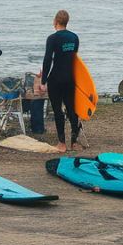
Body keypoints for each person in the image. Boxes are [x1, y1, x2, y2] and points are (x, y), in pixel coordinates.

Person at [43, 10, 82, 152]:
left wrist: (43, 81)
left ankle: (61, 143)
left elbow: (48, 59)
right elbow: (74, 59)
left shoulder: (52, 38)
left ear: (55, 22)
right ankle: (74, 142)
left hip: (56, 78)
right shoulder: (74, 37)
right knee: (72, 108)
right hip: (71, 77)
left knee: (58, 109)